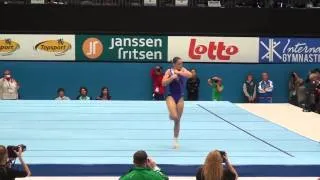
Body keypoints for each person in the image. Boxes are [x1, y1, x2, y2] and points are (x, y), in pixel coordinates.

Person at [162, 57, 192, 149]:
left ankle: (175, 140)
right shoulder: (169, 71)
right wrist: (171, 78)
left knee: (178, 120)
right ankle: (171, 114)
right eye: (179, 63)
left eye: (182, 63)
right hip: (170, 96)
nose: (181, 65)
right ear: (174, 64)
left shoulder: (183, 70)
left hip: (180, 97)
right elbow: (163, 83)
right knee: (174, 116)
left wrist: (179, 72)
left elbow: (190, 75)